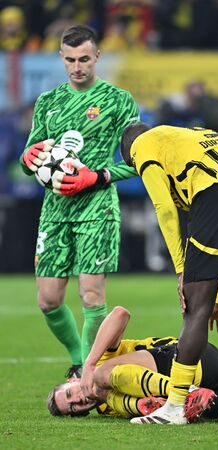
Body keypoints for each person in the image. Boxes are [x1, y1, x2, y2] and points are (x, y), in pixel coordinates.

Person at [120, 123, 218, 425]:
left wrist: (182, 270)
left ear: (130, 153)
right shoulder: (190, 134)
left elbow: (164, 208)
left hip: (216, 189)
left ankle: (175, 406)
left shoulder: (142, 146)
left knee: (195, 306)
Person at [19, 25, 139, 379]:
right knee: (48, 300)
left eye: (84, 58)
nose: (77, 66)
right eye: (70, 59)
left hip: (97, 207)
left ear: (97, 57)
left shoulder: (119, 101)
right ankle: (76, 357)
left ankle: (87, 373)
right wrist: (28, 158)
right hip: (54, 210)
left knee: (91, 294)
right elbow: (33, 153)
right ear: (61, 58)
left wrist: (96, 176)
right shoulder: (48, 102)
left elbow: (136, 161)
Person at [47, 306, 218, 421]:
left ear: (72, 380)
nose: (78, 400)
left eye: (70, 393)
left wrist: (89, 364)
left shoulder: (99, 360)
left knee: (100, 375)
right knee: (111, 395)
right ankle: (182, 398)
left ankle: (184, 392)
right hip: (216, 401)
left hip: (199, 359)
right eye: (73, 408)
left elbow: (121, 313)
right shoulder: (108, 409)